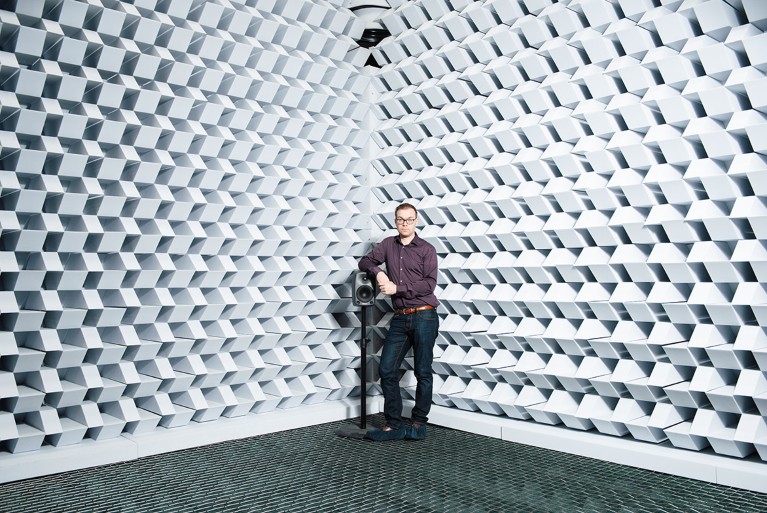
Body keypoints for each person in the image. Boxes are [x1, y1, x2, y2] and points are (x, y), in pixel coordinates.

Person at [358, 202, 440, 441]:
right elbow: (364, 262)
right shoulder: (387, 245)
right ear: (395, 221)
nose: (405, 223)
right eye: (400, 219)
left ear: (416, 221)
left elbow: (429, 284)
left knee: (423, 371)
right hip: (400, 318)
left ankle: (418, 423)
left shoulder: (427, 249)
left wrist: (397, 288)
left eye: (409, 219)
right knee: (386, 368)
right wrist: (379, 272)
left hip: (425, 315)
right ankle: (394, 424)